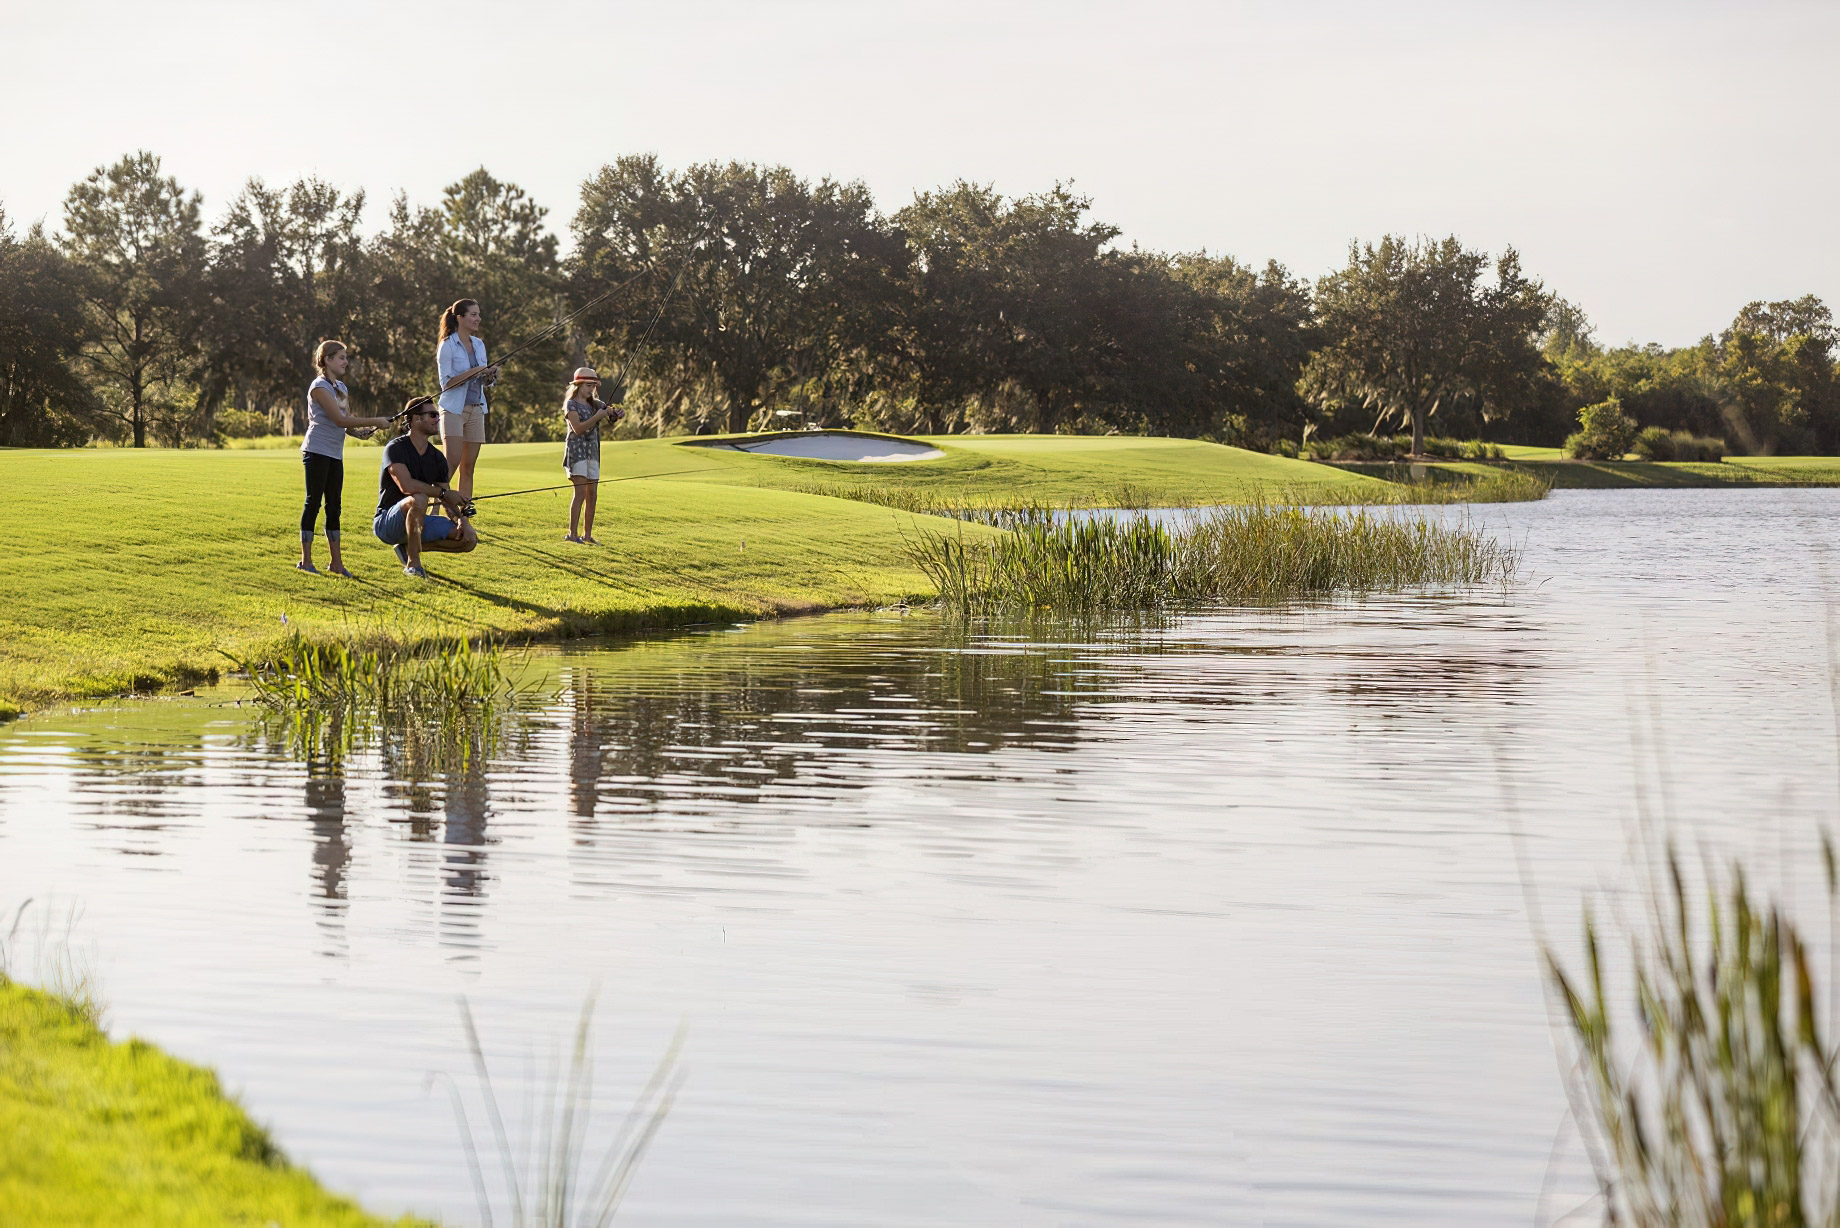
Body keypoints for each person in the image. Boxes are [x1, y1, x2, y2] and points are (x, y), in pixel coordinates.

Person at [298, 340, 392, 576]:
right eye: (341, 357)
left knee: (334, 506)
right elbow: (338, 420)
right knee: (313, 503)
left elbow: (346, 421)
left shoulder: (341, 387)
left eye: (346, 358)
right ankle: (306, 561)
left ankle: (336, 563)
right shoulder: (319, 387)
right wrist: (375, 420)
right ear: (327, 360)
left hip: (334, 454)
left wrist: (359, 433)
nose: (346, 362)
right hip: (316, 451)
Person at [373, 396, 478, 579]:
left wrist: (460, 518)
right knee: (419, 498)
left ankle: (408, 549)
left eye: (437, 415)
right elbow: (407, 486)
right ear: (416, 419)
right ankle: (413, 565)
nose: (438, 419)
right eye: (433, 415)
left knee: (469, 539)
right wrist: (443, 493)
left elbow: (447, 501)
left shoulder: (437, 458)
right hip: (387, 523)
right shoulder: (395, 448)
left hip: (418, 520)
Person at [435, 298, 499, 505]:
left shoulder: (479, 344)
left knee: (468, 467)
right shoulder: (447, 345)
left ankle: (463, 514)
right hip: (453, 410)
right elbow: (447, 383)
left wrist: (489, 376)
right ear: (459, 318)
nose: (478, 318)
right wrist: (476, 371)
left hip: (476, 409)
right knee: (451, 462)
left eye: (478, 314)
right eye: (473, 314)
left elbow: (484, 382)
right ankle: (434, 508)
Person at [561, 366, 623, 544]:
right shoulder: (571, 404)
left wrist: (616, 414)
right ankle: (572, 535)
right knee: (580, 493)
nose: (591, 389)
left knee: (592, 495)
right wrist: (598, 416)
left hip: (593, 453)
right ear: (578, 385)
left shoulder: (596, 404)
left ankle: (587, 536)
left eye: (594, 385)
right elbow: (578, 429)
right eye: (588, 385)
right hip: (577, 453)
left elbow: (611, 413)